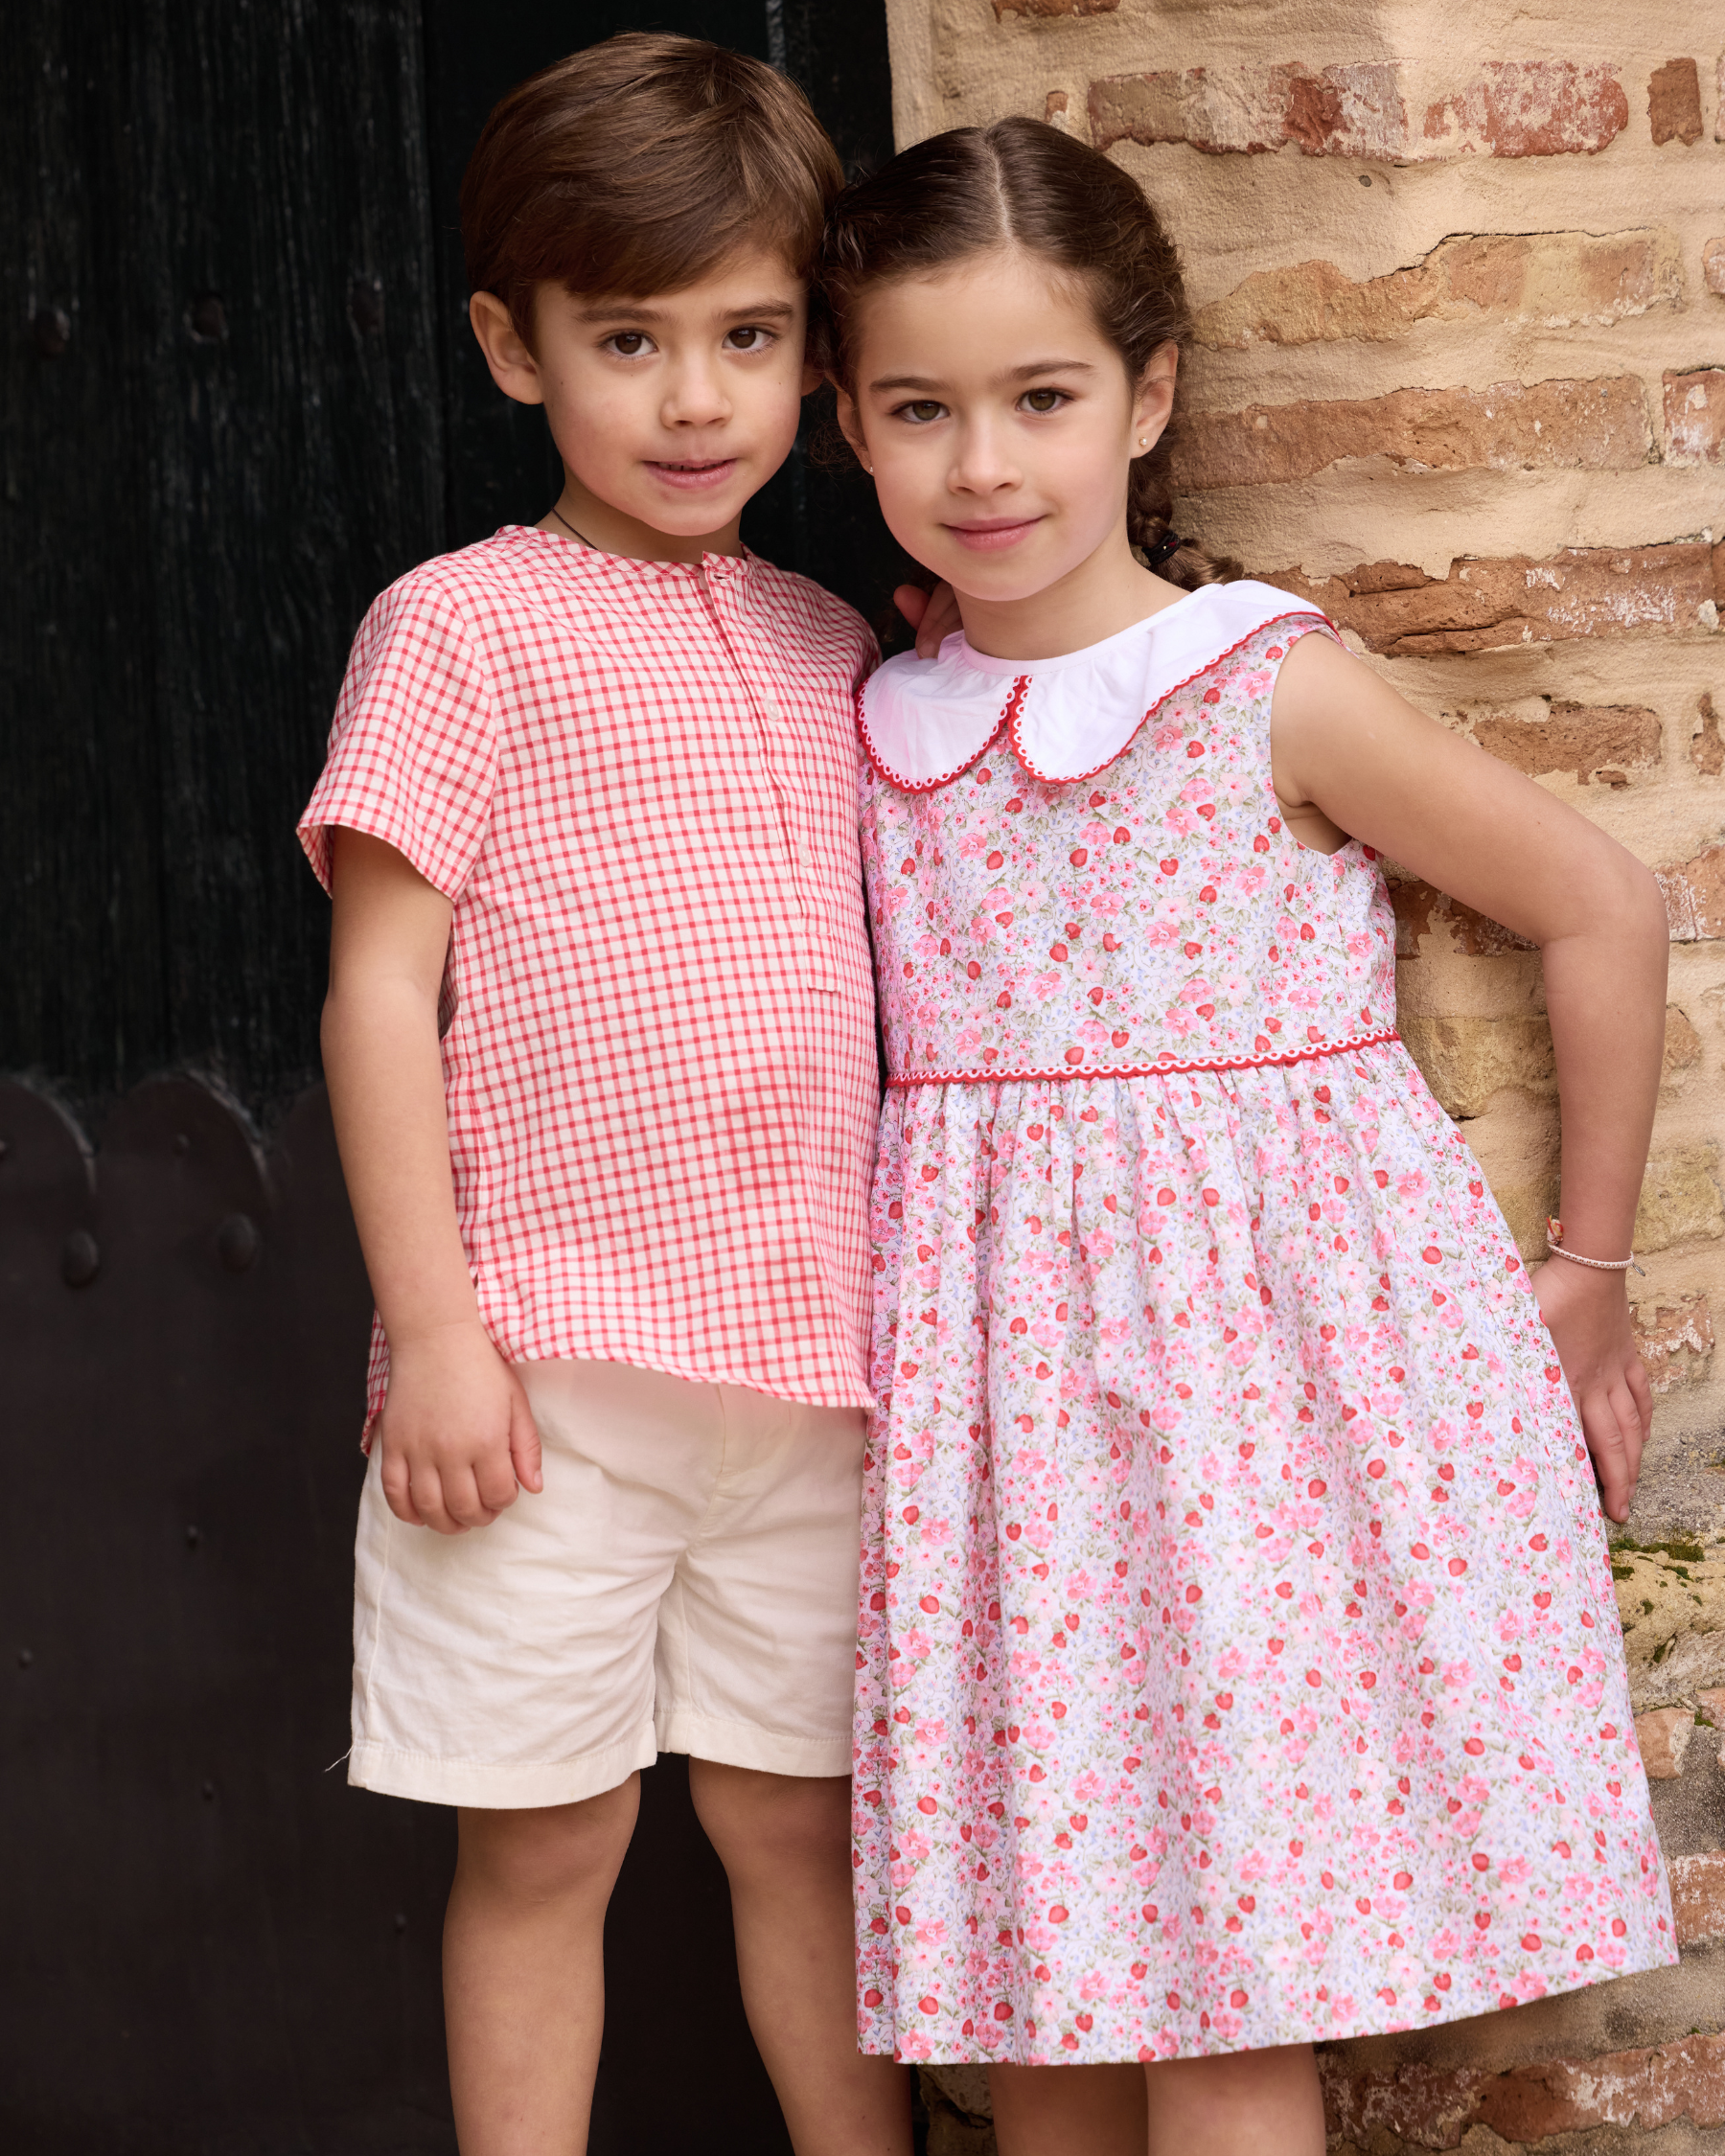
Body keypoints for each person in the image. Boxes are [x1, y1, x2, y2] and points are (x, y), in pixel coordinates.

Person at [816, 116, 1676, 2155]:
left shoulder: (1257, 686)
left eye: (1042, 398)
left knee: (1222, 1999)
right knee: (1038, 2005)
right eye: (920, 410)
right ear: (847, 420)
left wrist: (1590, 1270)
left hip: (1254, 1439)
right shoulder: (870, 726)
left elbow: (1600, 903)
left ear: (1152, 392)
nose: (985, 466)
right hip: (1000, 1451)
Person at [298, 36, 912, 2156]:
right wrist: (443, 1333)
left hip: (814, 1365)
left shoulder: (845, 639)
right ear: (512, 345)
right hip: (544, 1373)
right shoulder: (460, 629)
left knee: (803, 1835)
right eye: (628, 340)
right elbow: (380, 992)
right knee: (544, 1851)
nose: (694, 399)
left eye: (748, 338)